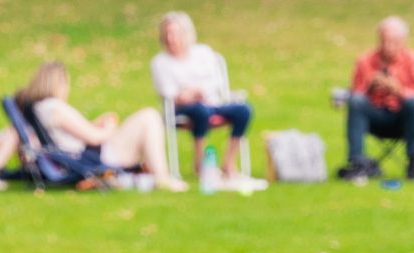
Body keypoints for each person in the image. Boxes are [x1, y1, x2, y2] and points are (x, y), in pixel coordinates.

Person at [14, 61, 183, 190]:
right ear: (58, 84)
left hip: (80, 156)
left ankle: (152, 175)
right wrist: (108, 128)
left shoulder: (40, 108)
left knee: (145, 120)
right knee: (149, 117)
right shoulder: (56, 108)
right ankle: (161, 176)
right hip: (94, 157)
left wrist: (96, 123)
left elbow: (69, 133)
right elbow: (94, 138)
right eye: (66, 83)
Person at [149, 12, 252, 181]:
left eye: (175, 33)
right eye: (167, 34)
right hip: (181, 108)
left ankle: (229, 162)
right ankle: (200, 162)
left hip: (212, 101)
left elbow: (215, 82)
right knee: (200, 111)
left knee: (243, 110)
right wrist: (188, 94)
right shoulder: (160, 62)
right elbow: (168, 93)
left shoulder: (203, 53)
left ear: (186, 34)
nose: (171, 38)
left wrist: (198, 91)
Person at [338, 16, 414, 182]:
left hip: (403, 120)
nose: (387, 46)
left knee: (412, 102)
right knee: (357, 101)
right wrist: (369, 86)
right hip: (375, 118)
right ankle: (357, 163)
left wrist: (398, 90)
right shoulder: (365, 62)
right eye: (383, 41)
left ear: (403, 41)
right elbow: (354, 95)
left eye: (393, 41)